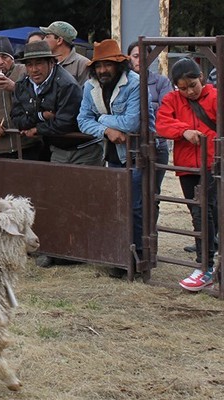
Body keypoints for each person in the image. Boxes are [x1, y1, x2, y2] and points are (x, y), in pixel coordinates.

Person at [77, 39, 154, 268]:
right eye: (99, 66)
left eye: (107, 65)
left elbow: (131, 123)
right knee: (118, 205)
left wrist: (99, 119)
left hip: (137, 153)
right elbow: (82, 120)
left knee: (136, 206)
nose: (102, 70)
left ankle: (139, 256)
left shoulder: (133, 84)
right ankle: (122, 254)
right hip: (113, 155)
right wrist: (106, 130)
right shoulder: (90, 87)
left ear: (118, 64)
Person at [156, 58, 218, 291]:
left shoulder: (215, 97)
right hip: (187, 167)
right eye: (183, 88)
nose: (189, 91)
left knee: (206, 211)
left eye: (193, 84)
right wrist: (184, 131)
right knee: (200, 211)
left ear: (201, 77)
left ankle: (206, 265)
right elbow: (161, 123)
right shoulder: (172, 100)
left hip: (213, 163)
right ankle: (208, 264)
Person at [12, 40, 95, 164]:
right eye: (29, 65)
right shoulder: (22, 84)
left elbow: (66, 122)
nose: (34, 69)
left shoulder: (66, 85)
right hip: (56, 148)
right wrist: (42, 116)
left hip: (84, 148)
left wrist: (37, 129)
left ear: (51, 63)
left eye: (39, 63)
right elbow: (17, 119)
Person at [127, 41, 173, 221]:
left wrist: (136, 112)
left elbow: (166, 111)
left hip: (156, 145)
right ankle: (135, 239)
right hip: (129, 146)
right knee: (131, 195)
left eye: (144, 55)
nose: (140, 60)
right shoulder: (124, 83)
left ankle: (150, 239)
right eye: (135, 56)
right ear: (128, 58)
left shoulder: (161, 81)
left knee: (152, 193)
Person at [40, 21, 90, 87]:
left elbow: (85, 93)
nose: (43, 40)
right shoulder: (46, 63)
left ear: (59, 40)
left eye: (47, 36)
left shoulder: (83, 64)